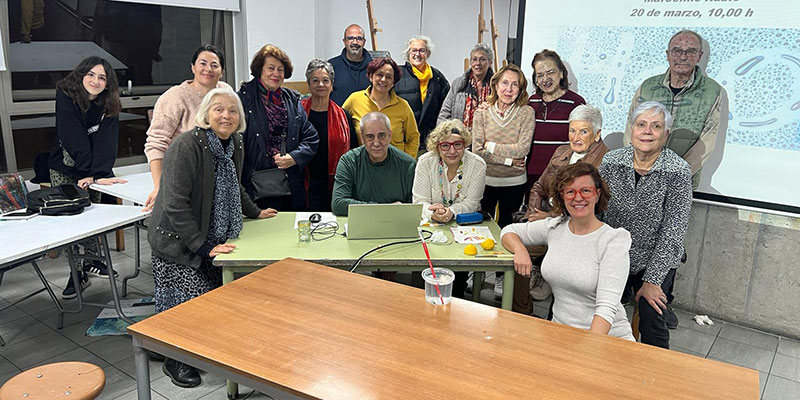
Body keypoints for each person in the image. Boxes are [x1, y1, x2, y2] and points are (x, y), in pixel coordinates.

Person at [148, 88, 277, 388]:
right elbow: (175, 205)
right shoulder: (186, 145)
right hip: (177, 242)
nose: (226, 115)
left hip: (209, 236)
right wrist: (202, 247)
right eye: (218, 109)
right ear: (206, 114)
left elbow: (234, 185)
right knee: (192, 304)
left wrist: (255, 212)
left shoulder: (235, 144)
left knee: (216, 302)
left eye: (232, 110)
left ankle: (166, 341)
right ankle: (174, 358)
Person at [501, 163, 634, 340]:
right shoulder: (555, 227)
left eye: (585, 190)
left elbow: (606, 309)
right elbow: (508, 231)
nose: (578, 197)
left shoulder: (613, 240)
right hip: (562, 332)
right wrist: (520, 250)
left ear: (597, 194)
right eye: (570, 191)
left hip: (604, 338)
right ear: (562, 196)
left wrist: (588, 349)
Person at [599, 101, 692, 349]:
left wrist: (652, 280)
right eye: (641, 125)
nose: (647, 132)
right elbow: (598, 210)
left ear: (666, 134)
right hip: (614, 252)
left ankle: (656, 369)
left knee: (652, 312)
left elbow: (674, 231)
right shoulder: (611, 161)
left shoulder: (678, 171)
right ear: (632, 129)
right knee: (592, 301)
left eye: (656, 126)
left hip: (655, 256)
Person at [513, 105, 610, 315]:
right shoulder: (561, 151)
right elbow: (538, 187)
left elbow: (588, 207)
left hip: (577, 230)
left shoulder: (605, 161)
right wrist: (533, 214)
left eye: (583, 131)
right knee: (516, 249)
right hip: (547, 221)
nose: (575, 137)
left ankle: (555, 314)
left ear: (597, 134)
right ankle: (523, 313)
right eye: (572, 130)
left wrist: (548, 217)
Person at [49, 56, 125, 299]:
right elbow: (72, 136)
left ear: (108, 83)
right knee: (71, 221)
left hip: (92, 170)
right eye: (91, 74)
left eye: (102, 77)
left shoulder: (109, 104)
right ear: (81, 75)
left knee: (92, 216)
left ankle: (92, 261)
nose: (95, 81)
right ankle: (76, 272)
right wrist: (86, 173)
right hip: (66, 166)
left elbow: (107, 141)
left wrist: (97, 175)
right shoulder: (66, 96)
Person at [624, 30, 721, 190]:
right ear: (668, 54)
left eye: (690, 51)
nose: (683, 57)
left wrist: (677, 174)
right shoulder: (648, 87)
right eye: (677, 51)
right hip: (640, 176)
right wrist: (637, 168)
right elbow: (631, 127)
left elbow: (707, 140)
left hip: (680, 183)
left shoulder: (712, 91)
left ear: (699, 56)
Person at [472, 64, 535, 299]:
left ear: (521, 89)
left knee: (508, 231)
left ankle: (501, 276)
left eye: (515, 84)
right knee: (480, 229)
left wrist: (491, 146)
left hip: (514, 183)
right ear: (496, 85)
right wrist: (509, 160)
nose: (509, 89)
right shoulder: (481, 112)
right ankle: (476, 273)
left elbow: (523, 149)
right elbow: (477, 150)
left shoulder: (526, 113)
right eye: (505, 83)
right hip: (485, 180)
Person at [144, 45, 231, 210]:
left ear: (222, 71)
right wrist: (159, 187)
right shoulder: (175, 97)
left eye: (214, 65)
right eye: (202, 63)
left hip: (218, 175)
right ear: (193, 67)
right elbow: (156, 143)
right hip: (184, 175)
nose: (208, 69)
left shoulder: (225, 91)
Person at [239, 44, 319, 211]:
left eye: (280, 69)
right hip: (254, 190)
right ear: (260, 70)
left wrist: (294, 157)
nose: (275, 73)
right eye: (271, 68)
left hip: (289, 188)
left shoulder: (292, 100)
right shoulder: (243, 100)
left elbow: (311, 138)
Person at [412, 119, 485, 298]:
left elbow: (472, 202)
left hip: (463, 227)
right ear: (437, 146)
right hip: (430, 226)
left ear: (465, 144)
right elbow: (419, 200)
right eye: (445, 145)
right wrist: (433, 213)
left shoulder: (477, 164)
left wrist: (451, 212)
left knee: (457, 282)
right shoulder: (425, 162)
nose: (452, 151)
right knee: (424, 278)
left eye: (457, 144)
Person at [331, 111, 416, 216]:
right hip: (360, 223)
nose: (376, 143)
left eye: (381, 136)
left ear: (390, 135)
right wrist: (385, 209)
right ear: (362, 138)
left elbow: (414, 207)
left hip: (396, 222)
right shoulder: (348, 162)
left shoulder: (408, 165)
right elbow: (338, 204)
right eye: (370, 137)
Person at [526, 50, 586, 197]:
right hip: (532, 175)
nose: (545, 79)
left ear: (561, 74)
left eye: (550, 72)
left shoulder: (576, 103)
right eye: (540, 75)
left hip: (562, 176)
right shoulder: (532, 102)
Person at [301, 59, 358, 211]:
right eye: (315, 80)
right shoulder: (298, 113)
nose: (320, 85)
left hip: (335, 184)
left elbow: (353, 150)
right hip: (304, 183)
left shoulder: (344, 116)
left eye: (325, 80)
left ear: (332, 85)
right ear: (308, 84)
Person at [343, 58, 420, 158]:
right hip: (362, 163)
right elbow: (340, 125)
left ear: (393, 83)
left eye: (389, 77)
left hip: (395, 163)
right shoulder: (354, 100)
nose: (383, 79)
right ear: (371, 77)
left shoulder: (403, 106)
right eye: (379, 75)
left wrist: (407, 160)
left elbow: (413, 137)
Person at [394, 35, 450, 153]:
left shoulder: (437, 77)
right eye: (414, 50)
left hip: (429, 141)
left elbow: (446, 107)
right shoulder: (397, 74)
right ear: (408, 53)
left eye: (422, 50)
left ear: (427, 53)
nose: (417, 54)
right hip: (403, 139)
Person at [437, 43, 494, 130]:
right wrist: (445, 133)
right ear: (470, 62)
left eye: (482, 59)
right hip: (459, 135)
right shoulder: (458, 83)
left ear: (490, 63)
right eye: (474, 59)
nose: (478, 63)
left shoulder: (496, 86)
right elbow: (445, 113)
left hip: (486, 136)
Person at [329, 24, 374, 105]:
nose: (355, 42)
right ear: (344, 41)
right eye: (350, 38)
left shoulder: (374, 67)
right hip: (338, 113)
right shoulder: (331, 66)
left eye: (359, 38)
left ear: (364, 42)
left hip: (367, 113)